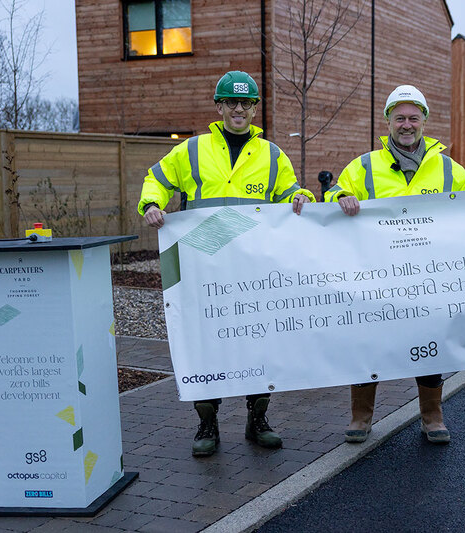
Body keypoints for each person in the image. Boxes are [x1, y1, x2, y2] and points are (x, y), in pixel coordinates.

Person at [324, 85, 465, 444]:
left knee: (429, 347)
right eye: (399, 117)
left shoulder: (446, 168)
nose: (407, 124)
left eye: (414, 117)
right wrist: (340, 195)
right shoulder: (364, 166)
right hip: (377, 277)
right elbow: (332, 192)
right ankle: (361, 417)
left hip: (429, 280)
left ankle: (432, 416)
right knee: (370, 344)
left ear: (425, 121)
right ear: (388, 122)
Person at [137, 71, 316, 456]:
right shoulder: (191, 150)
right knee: (205, 344)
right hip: (204, 267)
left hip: (253, 272)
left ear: (254, 109)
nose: (239, 108)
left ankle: (258, 417)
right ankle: (208, 422)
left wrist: (302, 196)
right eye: (231, 102)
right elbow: (157, 179)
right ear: (218, 107)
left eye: (246, 102)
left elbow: (291, 191)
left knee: (259, 344)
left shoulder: (272, 155)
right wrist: (152, 203)